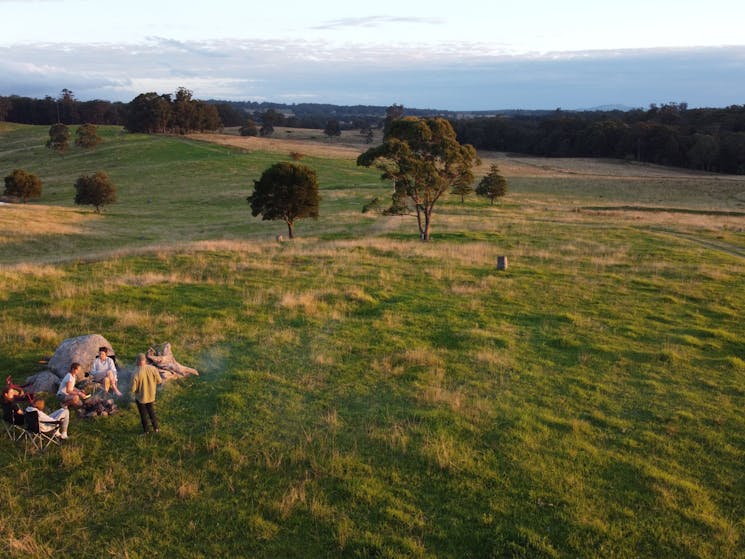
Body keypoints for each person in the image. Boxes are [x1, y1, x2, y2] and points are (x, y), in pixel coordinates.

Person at [130, 353, 162, 435]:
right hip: (151, 395)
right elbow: (159, 381)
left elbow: (133, 389)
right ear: (145, 360)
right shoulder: (153, 369)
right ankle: (156, 429)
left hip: (141, 398)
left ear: (137, 361)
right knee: (151, 412)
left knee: (143, 414)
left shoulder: (135, 372)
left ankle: (146, 431)